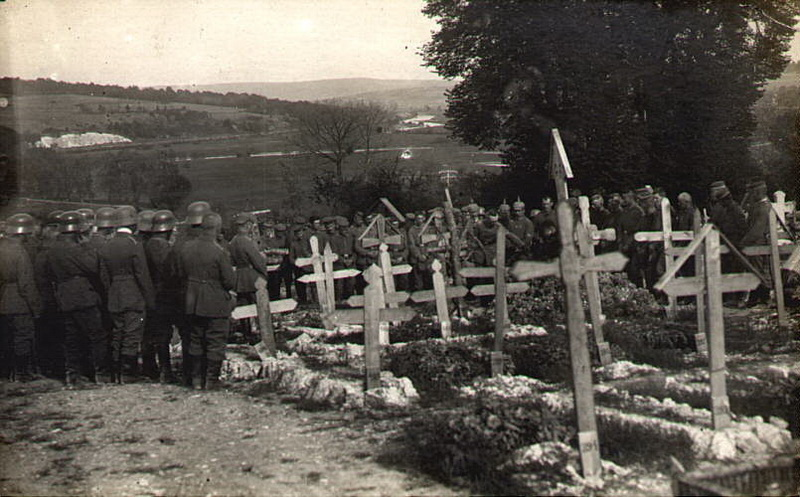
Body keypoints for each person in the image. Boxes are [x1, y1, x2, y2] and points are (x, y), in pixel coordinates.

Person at [44, 211, 110, 385]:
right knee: (97, 335)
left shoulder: (53, 249)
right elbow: (92, 267)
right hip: (83, 295)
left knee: (72, 337)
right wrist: (88, 246)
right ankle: (101, 373)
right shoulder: (77, 248)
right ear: (78, 231)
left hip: (64, 296)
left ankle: (73, 375)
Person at [177, 212, 235, 390]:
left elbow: (180, 274)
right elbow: (229, 281)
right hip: (214, 301)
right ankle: (211, 380)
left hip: (191, 299)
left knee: (195, 339)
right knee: (215, 339)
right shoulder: (219, 251)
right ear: (217, 229)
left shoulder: (186, 248)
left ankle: (195, 379)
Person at [99, 206, 155, 383]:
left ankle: (115, 373)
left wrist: (112, 292)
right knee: (132, 334)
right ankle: (128, 373)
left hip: (114, 295)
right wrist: (150, 300)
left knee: (118, 333)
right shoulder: (134, 245)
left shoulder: (107, 246)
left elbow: (104, 276)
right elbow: (142, 274)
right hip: (132, 294)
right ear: (133, 224)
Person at [0, 214, 42, 381]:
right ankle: (22, 373)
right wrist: (36, 307)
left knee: (6, 337)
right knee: (23, 337)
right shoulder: (20, 251)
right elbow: (26, 284)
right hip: (18, 301)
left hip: (2, 299)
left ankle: (7, 373)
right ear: (24, 233)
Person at [142, 210, 180, 383]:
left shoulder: (148, 243)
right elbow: (169, 272)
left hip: (152, 293)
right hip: (164, 294)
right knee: (164, 333)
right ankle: (166, 371)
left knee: (154, 333)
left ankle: (153, 368)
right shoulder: (160, 246)